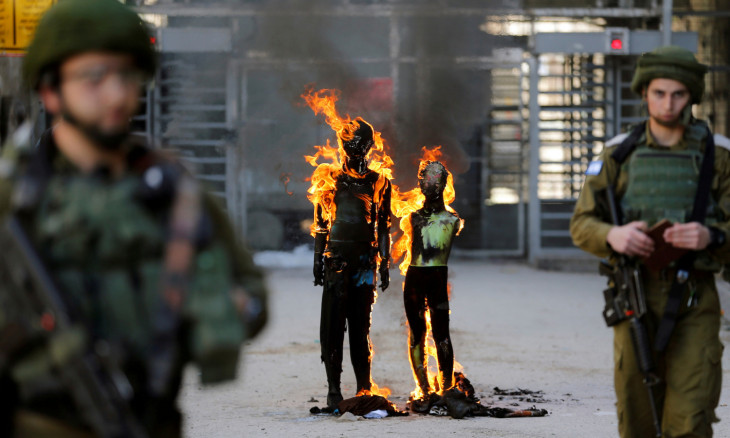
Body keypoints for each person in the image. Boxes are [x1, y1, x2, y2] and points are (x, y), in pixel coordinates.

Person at [0, 0, 267, 436]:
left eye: (127, 76)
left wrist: (216, 306)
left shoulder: (171, 191)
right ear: (50, 90)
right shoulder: (12, 200)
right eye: (94, 77)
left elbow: (250, 298)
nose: (117, 94)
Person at [570, 45, 730, 438]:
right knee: (638, 416)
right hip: (634, 297)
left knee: (689, 419)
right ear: (644, 93)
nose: (668, 104)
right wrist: (614, 235)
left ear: (692, 96)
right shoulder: (617, 154)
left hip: (694, 296)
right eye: (659, 93)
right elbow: (582, 224)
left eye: (678, 94)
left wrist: (711, 234)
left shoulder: (719, 154)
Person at [311, 118, 391, 409]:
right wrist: (318, 257)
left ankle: (363, 386)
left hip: (364, 261)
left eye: (359, 141)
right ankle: (333, 389)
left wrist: (384, 263)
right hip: (337, 260)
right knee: (332, 326)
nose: (352, 146)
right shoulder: (328, 178)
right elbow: (321, 224)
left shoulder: (379, 181)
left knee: (360, 327)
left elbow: (384, 225)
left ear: (370, 145)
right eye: (347, 140)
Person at [402, 160, 461, 401]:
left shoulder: (452, 219)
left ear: (444, 183)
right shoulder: (413, 217)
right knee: (417, 334)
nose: (429, 183)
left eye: (435, 178)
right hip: (415, 278)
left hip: (437, 277)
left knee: (442, 334)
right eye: (425, 178)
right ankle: (424, 389)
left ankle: (446, 387)